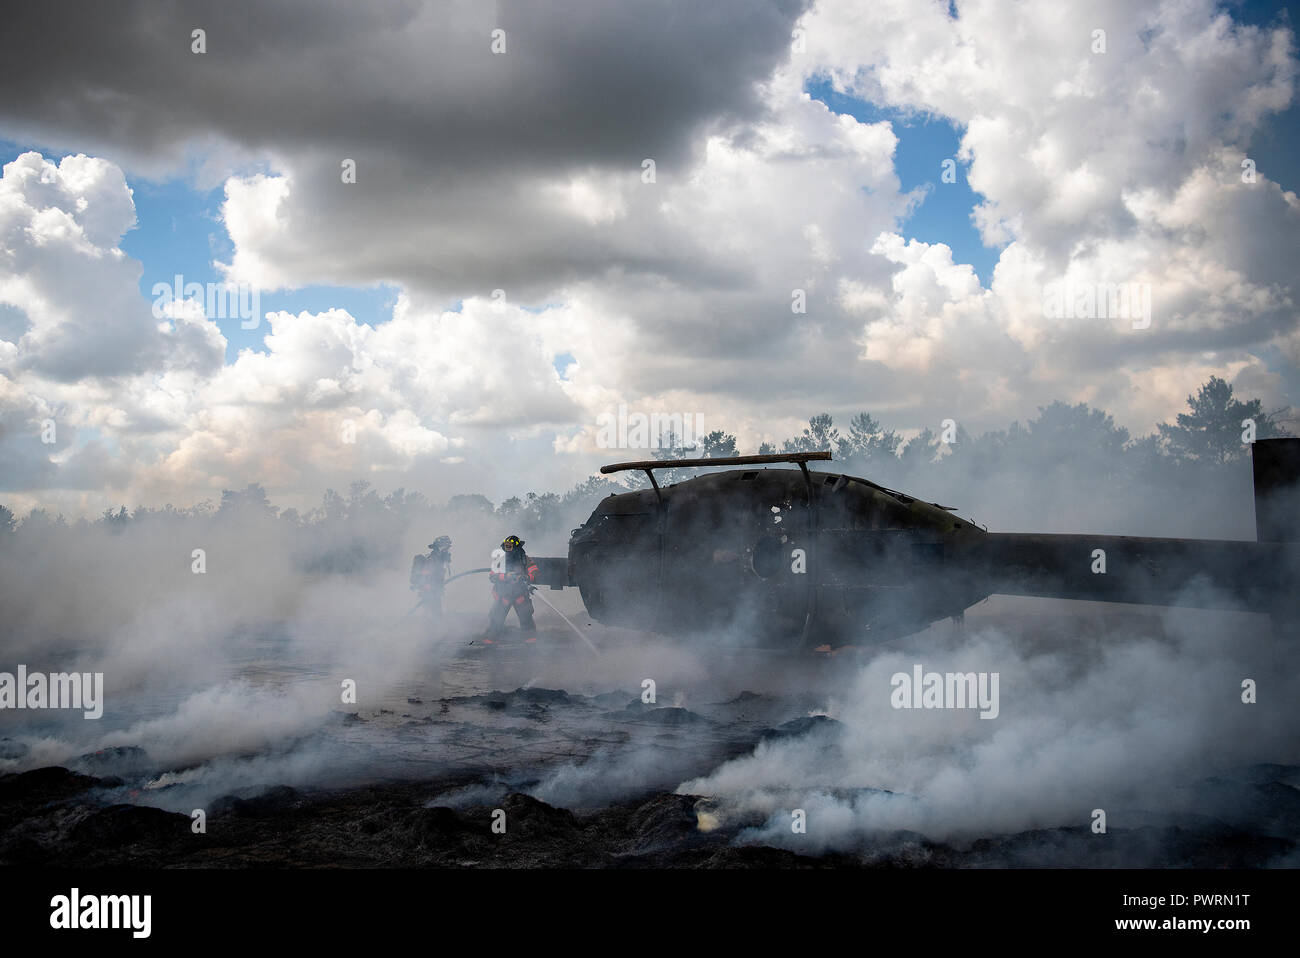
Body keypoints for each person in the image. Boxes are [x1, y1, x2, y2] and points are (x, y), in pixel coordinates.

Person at [484, 534, 539, 642]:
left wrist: (526, 577)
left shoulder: (525, 559)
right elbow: (492, 576)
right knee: (496, 619)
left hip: (520, 595)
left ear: (516, 547)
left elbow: (535, 572)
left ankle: (531, 643)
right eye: (505, 546)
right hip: (504, 595)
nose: (506, 549)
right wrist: (505, 576)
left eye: (509, 547)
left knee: (526, 618)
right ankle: (490, 643)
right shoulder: (500, 560)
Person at [410, 536, 452, 617]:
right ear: (441, 547)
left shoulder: (439, 560)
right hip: (430, 593)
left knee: (434, 615)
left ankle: (432, 627)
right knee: (434, 616)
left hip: (434, 593)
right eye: (446, 548)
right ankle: (430, 628)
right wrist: (429, 588)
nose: (447, 551)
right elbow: (425, 575)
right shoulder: (432, 559)